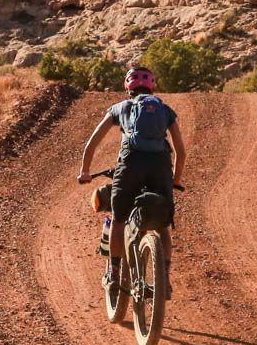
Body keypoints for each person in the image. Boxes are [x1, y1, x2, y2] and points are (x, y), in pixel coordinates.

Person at [77, 66, 186, 296]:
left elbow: (91, 143)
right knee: (163, 227)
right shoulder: (165, 110)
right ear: (152, 86)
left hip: (131, 163)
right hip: (160, 165)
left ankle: (114, 275)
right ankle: (164, 279)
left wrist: (85, 171)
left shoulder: (121, 108)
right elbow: (180, 152)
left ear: (128, 87)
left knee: (118, 219)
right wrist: (175, 180)